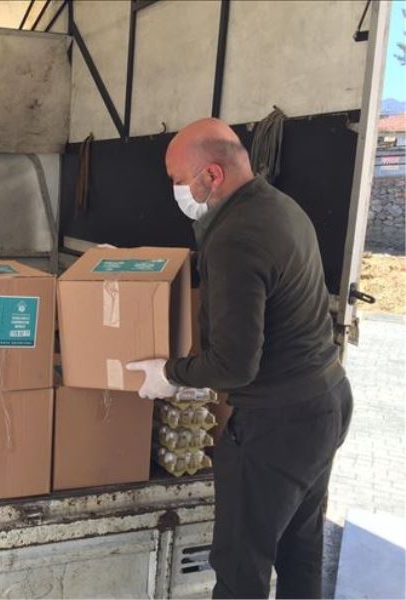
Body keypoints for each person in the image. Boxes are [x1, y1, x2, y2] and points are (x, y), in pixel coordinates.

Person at [126, 118, 353, 599]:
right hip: (326, 401)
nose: (176, 191)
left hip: (278, 425)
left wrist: (169, 374)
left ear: (212, 174)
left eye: (177, 179)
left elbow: (233, 365)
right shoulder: (280, 207)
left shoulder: (234, 237)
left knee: (240, 567)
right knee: (300, 549)